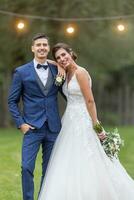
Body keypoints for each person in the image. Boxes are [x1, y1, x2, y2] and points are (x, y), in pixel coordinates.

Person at [38, 43, 134, 200]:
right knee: (68, 158)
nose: (62, 59)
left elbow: (90, 101)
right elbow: (49, 61)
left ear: (71, 53)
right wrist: (56, 64)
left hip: (83, 120)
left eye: (64, 55)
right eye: (58, 57)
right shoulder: (66, 73)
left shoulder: (80, 72)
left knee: (89, 157)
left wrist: (97, 126)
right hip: (69, 121)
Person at [8, 34, 66, 200]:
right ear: (32, 48)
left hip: (53, 128)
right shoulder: (21, 72)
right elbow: (12, 101)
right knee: (26, 167)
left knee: (50, 170)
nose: (42, 47)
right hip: (32, 128)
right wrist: (21, 124)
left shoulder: (57, 69)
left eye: (45, 45)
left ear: (48, 48)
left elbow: (67, 92)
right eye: (38, 45)